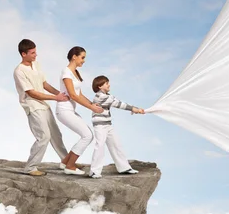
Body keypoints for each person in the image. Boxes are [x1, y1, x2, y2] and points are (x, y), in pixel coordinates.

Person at [13, 39, 70, 176]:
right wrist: (56, 98)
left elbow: (44, 84)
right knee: (44, 136)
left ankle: (67, 161)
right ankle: (30, 167)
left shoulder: (36, 64)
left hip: (44, 104)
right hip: (33, 106)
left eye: (35, 51)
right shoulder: (19, 71)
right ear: (23, 54)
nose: (35, 55)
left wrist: (59, 94)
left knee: (56, 134)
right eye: (32, 53)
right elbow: (31, 93)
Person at [55, 47, 104, 175]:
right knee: (88, 135)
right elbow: (73, 95)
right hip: (64, 110)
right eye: (82, 57)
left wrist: (92, 103)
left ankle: (65, 162)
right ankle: (70, 166)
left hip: (70, 110)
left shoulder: (74, 73)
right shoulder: (66, 72)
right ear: (74, 57)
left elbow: (79, 94)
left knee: (87, 134)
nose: (84, 60)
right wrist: (91, 108)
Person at [89, 75, 144, 178]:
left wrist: (134, 109)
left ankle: (124, 168)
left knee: (116, 144)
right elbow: (118, 104)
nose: (109, 84)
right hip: (100, 125)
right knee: (100, 146)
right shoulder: (100, 96)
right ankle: (94, 171)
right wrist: (134, 109)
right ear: (100, 86)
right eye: (106, 83)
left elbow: (116, 102)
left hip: (107, 124)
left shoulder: (107, 96)